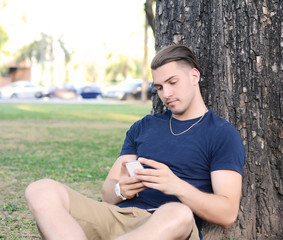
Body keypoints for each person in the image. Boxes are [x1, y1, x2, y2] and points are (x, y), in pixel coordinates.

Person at [25, 45, 246, 240]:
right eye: (159, 87)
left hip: (166, 227)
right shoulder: (144, 127)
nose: (166, 94)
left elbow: (227, 214)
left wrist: (176, 186)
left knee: (178, 212)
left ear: (194, 76)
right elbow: (107, 194)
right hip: (119, 218)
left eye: (172, 82)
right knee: (40, 189)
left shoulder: (221, 134)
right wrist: (122, 189)